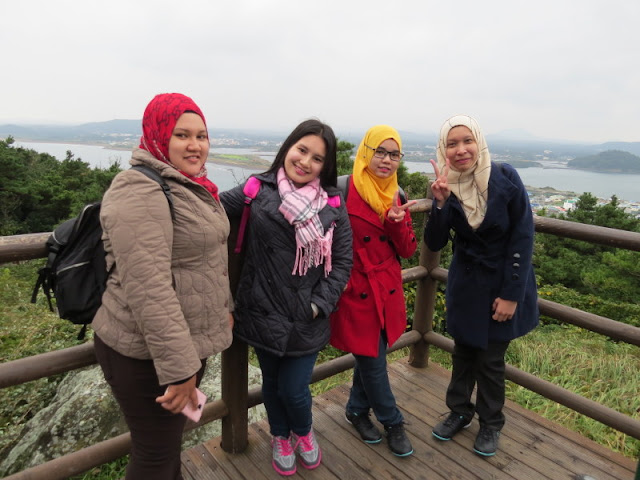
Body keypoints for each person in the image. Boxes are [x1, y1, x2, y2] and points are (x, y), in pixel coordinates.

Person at [92, 93, 234, 480]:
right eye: (181, 135)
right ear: (157, 136)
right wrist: (181, 371)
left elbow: (206, 258)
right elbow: (148, 289)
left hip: (183, 346)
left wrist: (224, 309)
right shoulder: (138, 189)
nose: (195, 145)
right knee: (154, 454)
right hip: (147, 355)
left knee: (168, 445)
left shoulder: (188, 185)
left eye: (201, 135)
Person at [220, 119, 352, 476]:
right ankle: (280, 436)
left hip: (306, 316)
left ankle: (304, 432)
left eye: (317, 158)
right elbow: (210, 209)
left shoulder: (332, 203)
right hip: (263, 310)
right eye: (301, 150)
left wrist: (318, 305)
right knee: (272, 385)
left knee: (294, 389)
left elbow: (342, 261)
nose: (305, 161)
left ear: (325, 166)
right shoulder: (256, 189)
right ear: (288, 148)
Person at [425, 114, 539, 457]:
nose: (461, 150)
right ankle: (459, 410)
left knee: (490, 360)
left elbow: (523, 236)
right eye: (452, 144)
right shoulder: (445, 185)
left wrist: (511, 295)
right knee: (462, 353)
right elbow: (435, 242)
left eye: (467, 141)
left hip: (502, 284)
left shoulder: (505, 177)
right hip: (466, 285)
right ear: (443, 150)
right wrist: (440, 202)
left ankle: (491, 423)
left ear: (479, 142)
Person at [330, 125, 417, 457]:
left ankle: (355, 409)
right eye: (380, 151)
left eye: (394, 154)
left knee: (371, 354)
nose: (386, 160)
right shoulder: (343, 189)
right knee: (373, 360)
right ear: (366, 152)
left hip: (386, 287)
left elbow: (408, 250)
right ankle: (392, 421)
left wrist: (396, 222)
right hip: (355, 289)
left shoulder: (397, 194)